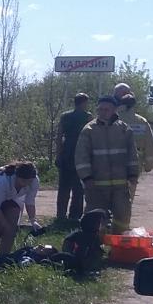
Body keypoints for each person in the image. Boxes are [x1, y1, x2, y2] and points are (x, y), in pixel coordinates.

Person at [75, 96, 139, 232]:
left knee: (122, 217)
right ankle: (95, 247)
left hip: (120, 186)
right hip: (96, 186)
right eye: (100, 109)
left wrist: (133, 174)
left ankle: (119, 246)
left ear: (114, 110)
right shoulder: (89, 130)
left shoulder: (124, 129)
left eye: (106, 109)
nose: (103, 112)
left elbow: (132, 155)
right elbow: (81, 157)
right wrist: (87, 178)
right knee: (95, 218)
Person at [0, 160, 41, 255]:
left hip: (11, 195)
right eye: (23, 181)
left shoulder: (34, 181)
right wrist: (5, 225)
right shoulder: (3, 181)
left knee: (14, 217)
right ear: (17, 176)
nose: (26, 184)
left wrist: (33, 220)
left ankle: (4, 256)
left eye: (29, 181)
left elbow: (30, 201)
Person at [113, 83, 153, 200]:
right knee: (128, 196)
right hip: (135, 164)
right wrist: (149, 165)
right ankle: (123, 216)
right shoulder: (141, 121)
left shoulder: (109, 119)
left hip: (111, 163)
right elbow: (150, 145)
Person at [53, 93, 93, 223]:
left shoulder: (65, 116)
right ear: (83, 103)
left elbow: (59, 137)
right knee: (78, 188)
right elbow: (92, 138)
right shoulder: (88, 117)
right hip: (81, 154)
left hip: (66, 153)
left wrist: (58, 155)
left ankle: (60, 215)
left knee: (63, 187)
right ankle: (75, 216)